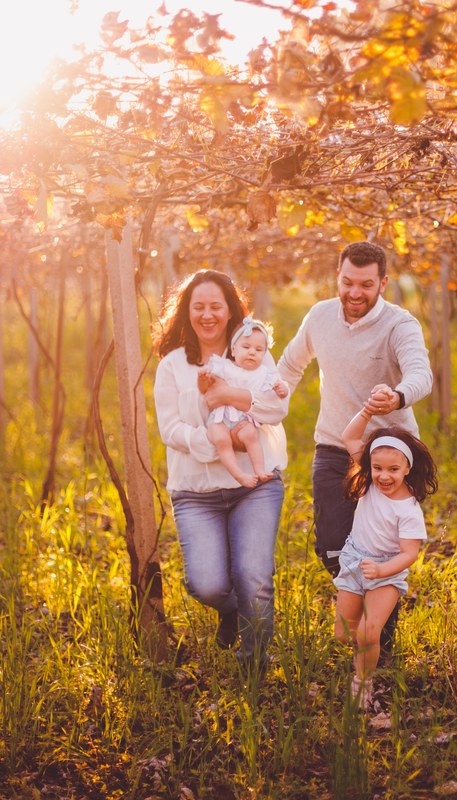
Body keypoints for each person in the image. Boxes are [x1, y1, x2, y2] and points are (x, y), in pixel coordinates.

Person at [278, 240, 433, 664]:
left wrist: (398, 397)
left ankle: (380, 636)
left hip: (391, 454)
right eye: (348, 282)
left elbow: (421, 373)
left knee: (386, 546)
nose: (355, 293)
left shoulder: (400, 324)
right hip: (334, 444)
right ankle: (369, 608)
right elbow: (289, 367)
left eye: (366, 284)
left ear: (382, 283)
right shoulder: (320, 316)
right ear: (338, 277)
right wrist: (269, 400)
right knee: (331, 543)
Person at [152, 270, 288, 664]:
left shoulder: (253, 351)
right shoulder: (172, 365)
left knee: (254, 578)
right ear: (186, 312)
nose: (207, 314)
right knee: (206, 586)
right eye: (199, 307)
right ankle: (229, 609)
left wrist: (232, 394)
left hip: (256, 485)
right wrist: (216, 442)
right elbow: (170, 429)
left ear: (231, 311)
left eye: (216, 306)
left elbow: (278, 408)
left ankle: (255, 664)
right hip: (196, 492)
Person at [333, 410, 437, 708]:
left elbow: (409, 554)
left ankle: (362, 682)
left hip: (387, 571)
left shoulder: (409, 510)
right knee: (343, 634)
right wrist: (366, 411)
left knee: (368, 631)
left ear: (407, 468)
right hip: (354, 562)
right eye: (377, 468)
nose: (384, 476)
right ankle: (370, 649)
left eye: (393, 469)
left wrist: (380, 571)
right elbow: (349, 437)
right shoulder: (368, 480)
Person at [202, 316, 289, 488]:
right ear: (233, 350)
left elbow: (279, 390)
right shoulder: (225, 366)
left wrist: (282, 389)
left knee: (251, 434)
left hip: (243, 420)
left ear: (264, 354)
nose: (252, 352)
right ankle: (239, 474)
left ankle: (259, 469)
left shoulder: (263, 373)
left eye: (258, 350)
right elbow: (208, 387)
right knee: (222, 440)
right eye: (246, 347)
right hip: (220, 417)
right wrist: (204, 377)